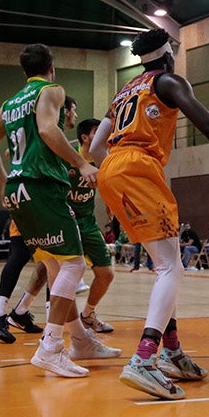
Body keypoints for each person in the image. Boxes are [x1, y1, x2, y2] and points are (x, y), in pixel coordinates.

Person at [91, 27, 209, 400]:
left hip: (111, 169)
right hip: (138, 167)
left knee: (167, 264)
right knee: (170, 267)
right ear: (167, 56)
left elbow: (98, 145)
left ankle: (173, 350)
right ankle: (145, 360)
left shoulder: (122, 91)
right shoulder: (168, 81)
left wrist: (116, 172)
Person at [0, 43, 119, 377]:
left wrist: (3, 180)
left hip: (17, 189)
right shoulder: (52, 90)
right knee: (72, 265)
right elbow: (46, 128)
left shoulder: (11, 103)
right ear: (51, 68)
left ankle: (81, 341)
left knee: (57, 270)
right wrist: (81, 164)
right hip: (41, 185)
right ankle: (50, 346)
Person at [0, 96, 79, 344]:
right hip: (35, 198)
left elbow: (3, 148)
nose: (75, 115)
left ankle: (20, 311)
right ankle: (5, 315)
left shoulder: (39, 133)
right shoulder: (47, 128)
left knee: (45, 263)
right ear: (64, 111)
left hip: (25, 195)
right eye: (73, 110)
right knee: (36, 258)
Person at [68, 117, 117, 333]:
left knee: (106, 274)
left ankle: (87, 314)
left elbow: (107, 183)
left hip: (87, 222)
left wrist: (111, 203)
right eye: (98, 131)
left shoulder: (101, 159)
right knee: (60, 274)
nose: (103, 135)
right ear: (84, 137)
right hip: (65, 221)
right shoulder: (67, 156)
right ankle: (55, 329)